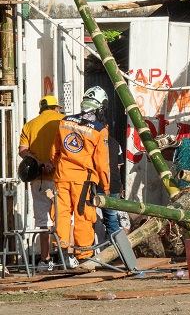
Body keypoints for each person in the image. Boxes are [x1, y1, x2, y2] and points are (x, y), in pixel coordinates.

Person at [51, 86, 110, 269]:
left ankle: (62, 254)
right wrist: (106, 186)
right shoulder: (99, 130)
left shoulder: (64, 121)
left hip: (62, 176)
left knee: (60, 215)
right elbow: (102, 162)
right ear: (99, 106)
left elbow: (54, 152)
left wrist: (60, 168)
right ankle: (84, 256)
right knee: (84, 215)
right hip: (83, 180)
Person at [17, 95, 65, 272]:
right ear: (56, 108)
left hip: (38, 180)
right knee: (65, 217)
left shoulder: (30, 125)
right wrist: (51, 162)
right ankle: (67, 256)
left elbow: (23, 151)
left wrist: (39, 162)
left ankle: (45, 260)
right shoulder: (64, 121)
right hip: (60, 178)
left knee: (43, 221)